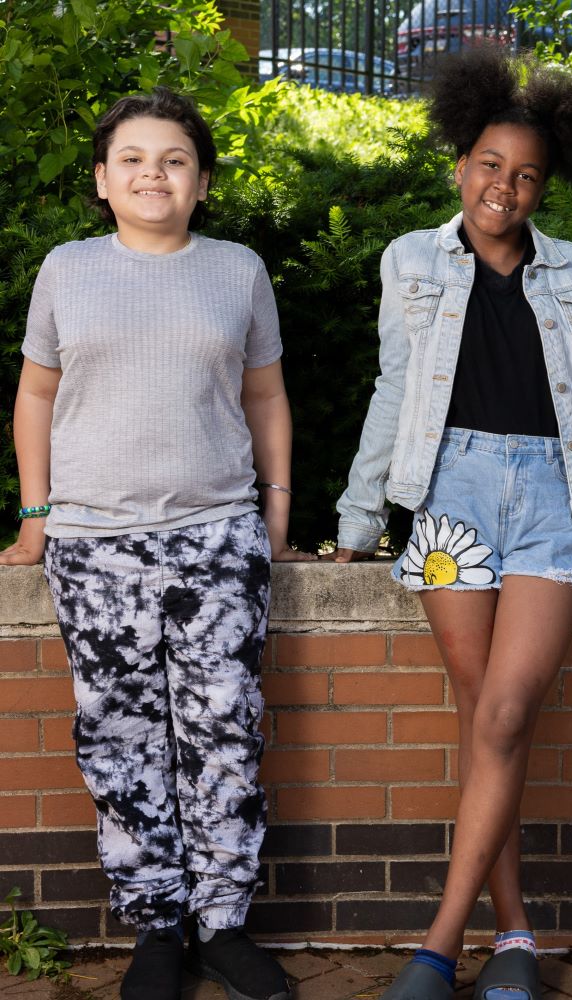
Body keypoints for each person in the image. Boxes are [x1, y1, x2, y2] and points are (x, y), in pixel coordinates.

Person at [332, 47, 572, 1000]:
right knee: (484, 721)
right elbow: (396, 389)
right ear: (461, 162)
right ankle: (517, 940)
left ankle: (439, 945)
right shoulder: (409, 259)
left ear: (546, 185)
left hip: (551, 501)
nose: (506, 185)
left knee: (501, 714)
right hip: (449, 502)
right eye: (491, 164)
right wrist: (361, 516)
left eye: (526, 174)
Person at [0, 87, 316, 1000]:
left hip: (218, 539)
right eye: (132, 159)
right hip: (95, 547)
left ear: (203, 180)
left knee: (222, 733)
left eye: (174, 160)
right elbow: (35, 396)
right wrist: (35, 518)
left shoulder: (238, 270)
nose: (153, 174)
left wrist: (277, 512)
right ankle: (155, 929)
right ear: (101, 180)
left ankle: (221, 924)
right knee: (119, 737)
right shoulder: (67, 270)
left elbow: (265, 396)